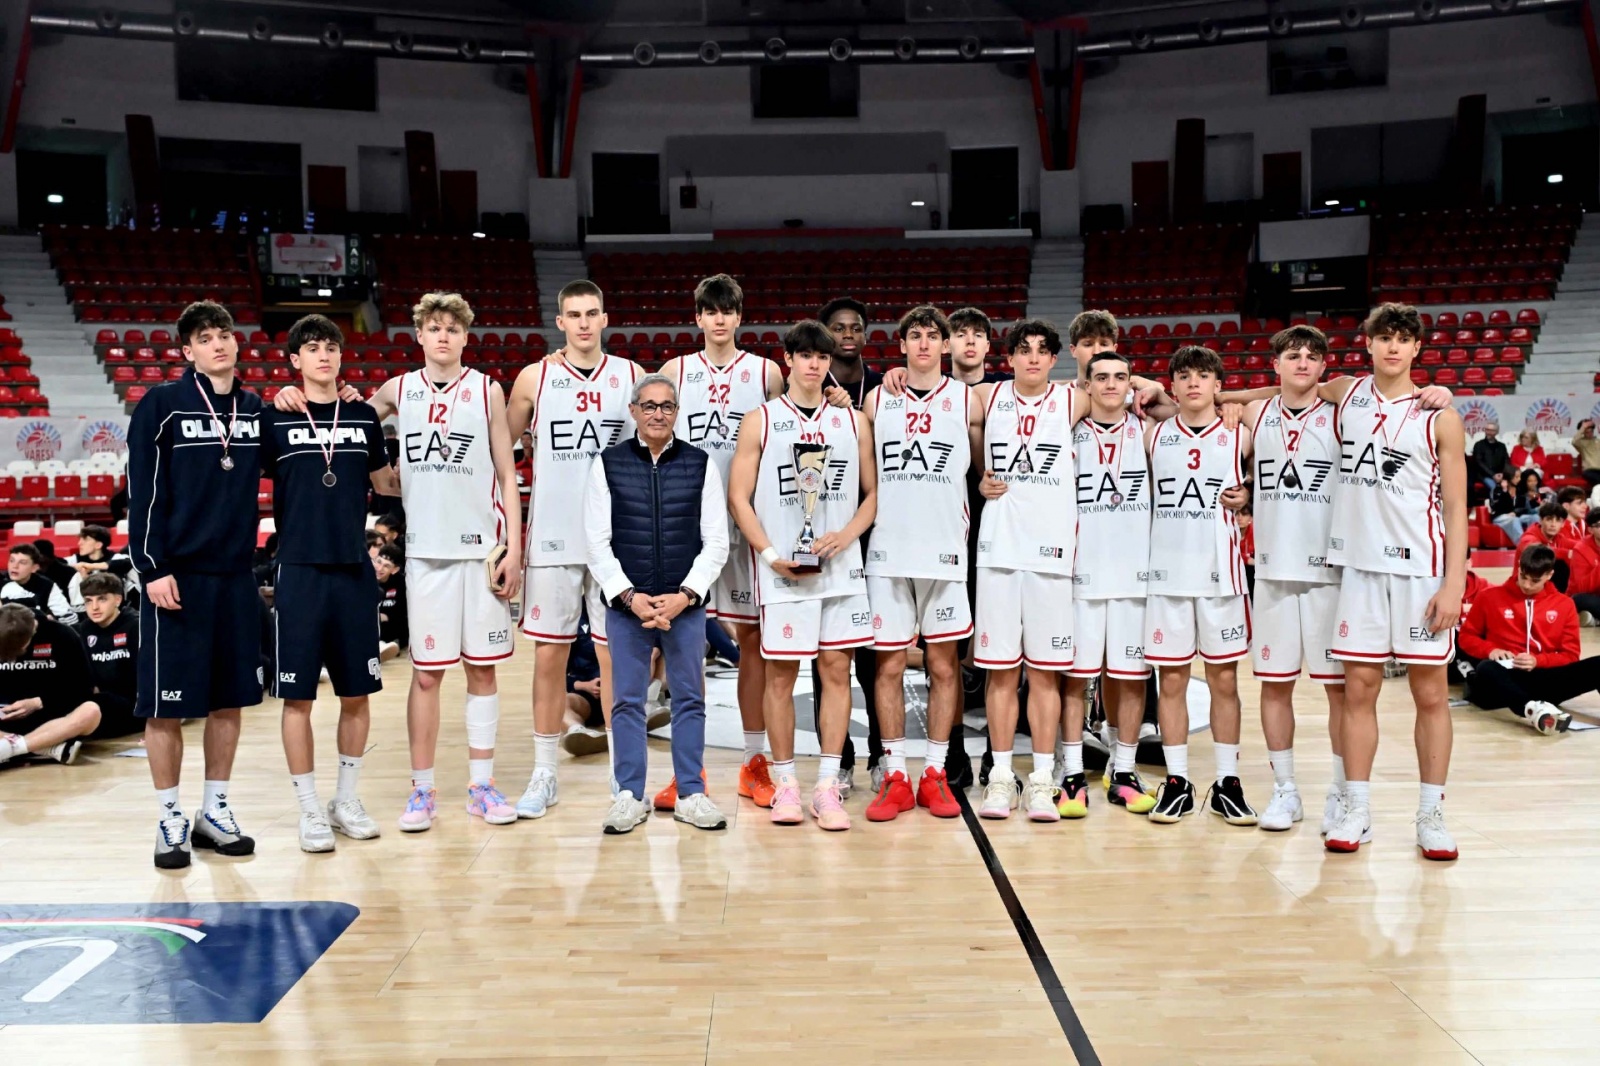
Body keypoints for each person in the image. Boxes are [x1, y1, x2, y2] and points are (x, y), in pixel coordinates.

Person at [276, 293, 523, 833]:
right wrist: (292, 392)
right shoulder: (396, 389)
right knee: (427, 676)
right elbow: (342, 417)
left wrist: (516, 550)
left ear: (465, 337)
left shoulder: (487, 389)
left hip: (481, 550)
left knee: (482, 671)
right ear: (419, 335)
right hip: (426, 552)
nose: (443, 336)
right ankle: (423, 789)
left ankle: (481, 786)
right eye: (434, 328)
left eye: (452, 329)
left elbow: (507, 473)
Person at [1325, 302, 1468, 860]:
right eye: (1383, 337)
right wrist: (1198, 397)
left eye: (1402, 338)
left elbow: (1455, 508)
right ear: (1367, 343)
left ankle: (1431, 813)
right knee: (1358, 691)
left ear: (1416, 348)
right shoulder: (1346, 393)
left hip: (1420, 572)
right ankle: (1356, 809)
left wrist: (1454, 584)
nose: (1392, 346)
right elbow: (1281, 391)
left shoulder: (1441, 416)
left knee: (1430, 694)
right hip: (1361, 570)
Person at [128, 300, 265, 868]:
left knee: (229, 701)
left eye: (224, 334)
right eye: (205, 338)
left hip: (235, 576)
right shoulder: (162, 404)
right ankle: (169, 816)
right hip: (176, 576)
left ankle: (215, 809)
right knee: (165, 705)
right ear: (187, 350)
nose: (218, 343)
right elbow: (143, 490)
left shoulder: (255, 408)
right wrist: (151, 566)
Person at [728, 319, 878, 831]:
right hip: (783, 572)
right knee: (781, 676)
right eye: (806, 355)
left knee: (837, 672)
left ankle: (827, 786)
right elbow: (738, 498)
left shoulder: (853, 421)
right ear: (788, 360)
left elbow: (871, 495)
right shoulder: (761, 420)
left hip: (840, 568)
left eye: (823, 356)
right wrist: (770, 555)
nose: (814, 364)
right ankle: (787, 783)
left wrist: (846, 535)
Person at [260, 314, 399, 853]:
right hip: (298, 571)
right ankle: (308, 809)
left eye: (331, 347)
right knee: (297, 698)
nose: (324, 355)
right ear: (295, 359)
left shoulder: (362, 417)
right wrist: (278, 397)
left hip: (353, 571)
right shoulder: (275, 417)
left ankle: (345, 800)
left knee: (356, 693)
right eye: (313, 348)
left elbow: (386, 484)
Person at [507, 279, 641, 816]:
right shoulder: (534, 377)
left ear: (605, 318)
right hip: (553, 537)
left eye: (592, 313)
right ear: (559, 322)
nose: (584, 323)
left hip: (615, 541)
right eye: (574, 315)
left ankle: (622, 778)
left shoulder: (631, 376)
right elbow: (497, 448)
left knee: (617, 658)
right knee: (549, 656)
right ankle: (544, 774)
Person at [652, 273, 785, 811]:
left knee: (752, 642)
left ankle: (754, 762)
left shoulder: (767, 372)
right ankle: (690, 770)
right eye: (711, 310)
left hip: (746, 520)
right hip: (689, 524)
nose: (720, 318)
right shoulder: (674, 371)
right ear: (699, 317)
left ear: (739, 316)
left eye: (728, 309)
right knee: (685, 647)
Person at [584, 373, 730, 833]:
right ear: (633, 411)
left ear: (677, 412)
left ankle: (691, 793)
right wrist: (629, 596)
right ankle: (629, 795)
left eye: (666, 406)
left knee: (689, 699)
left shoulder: (700, 464)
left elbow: (717, 542)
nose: (657, 414)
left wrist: (685, 595)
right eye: (648, 405)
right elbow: (596, 542)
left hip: (684, 607)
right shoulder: (607, 464)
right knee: (627, 702)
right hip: (627, 608)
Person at [860, 305, 979, 823]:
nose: (926, 343)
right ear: (903, 344)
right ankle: (894, 774)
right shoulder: (875, 399)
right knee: (888, 665)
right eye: (916, 335)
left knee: (943, 666)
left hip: (946, 552)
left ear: (946, 345)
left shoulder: (970, 399)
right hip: (888, 551)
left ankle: (934, 773)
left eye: (934, 335)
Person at [973, 321, 1084, 820]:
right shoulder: (987, 396)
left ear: (1055, 359)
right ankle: (1001, 777)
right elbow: (928, 393)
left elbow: (1143, 391)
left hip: (1052, 555)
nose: (1034, 357)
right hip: (999, 551)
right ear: (1011, 358)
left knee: (1044, 674)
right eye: (1024, 349)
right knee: (1000, 673)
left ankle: (1041, 780)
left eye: (1043, 350)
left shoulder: (1072, 399)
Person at [1240, 325, 1347, 835]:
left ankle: (1343, 791)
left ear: (1324, 366)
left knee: (1339, 693)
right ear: (1276, 364)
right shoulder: (1255, 412)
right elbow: (1191, 404)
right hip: (1273, 570)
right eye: (1292, 355)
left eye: (1311, 355)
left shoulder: (1343, 412)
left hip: (1330, 572)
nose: (1302, 362)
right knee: (1275, 686)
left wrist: (1435, 391)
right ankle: (1285, 790)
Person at [1143, 345, 1256, 826]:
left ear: (1218, 385)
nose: (1193, 382)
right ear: (1172, 385)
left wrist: (1250, 493)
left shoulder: (1241, 434)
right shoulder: (1151, 435)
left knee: (1224, 680)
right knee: (1171, 681)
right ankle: (1178, 782)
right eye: (1184, 375)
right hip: (1166, 576)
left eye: (1203, 375)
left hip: (1221, 577)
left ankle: (1228, 782)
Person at [1064, 348, 1158, 818]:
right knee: (1075, 677)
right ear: (1086, 385)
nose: (1111, 385)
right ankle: (1070, 772)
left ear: (1130, 383)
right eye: (1100, 377)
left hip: (1134, 575)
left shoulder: (1149, 431)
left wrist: (1154, 388)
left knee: (1130, 677)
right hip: (1080, 573)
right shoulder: (1067, 431)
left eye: (1121, 377)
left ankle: (1123, 769)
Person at [817, 295, 885, 794]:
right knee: (828, 657)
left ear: (865, 335)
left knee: (873, 658)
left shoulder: (883, 388)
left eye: (855, 327)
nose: (847, 334)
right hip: (825, 529)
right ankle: (838, 758)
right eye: (838, 327)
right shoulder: (808, 388)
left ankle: (881, 753)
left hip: (875, 527)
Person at [1459, 544, 1597, 735]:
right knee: (1486, 668)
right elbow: (1466, 637)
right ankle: (1533, 711)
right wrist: (1491, 650)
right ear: (1518, 567)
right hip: (1503, 681)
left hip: (1543, 678)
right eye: (1523, 576)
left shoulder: (1564, 604)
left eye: (1535, 581)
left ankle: (1538, 707)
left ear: (1549, 575)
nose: (1526, 585)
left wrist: (1537, 661)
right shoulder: (1489, 597)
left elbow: (1570, 655)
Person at [0, 603, 101, 767]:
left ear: (31, 634)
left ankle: (12, 748)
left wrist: (38, 702)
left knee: (91, 710)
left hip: (51, 719)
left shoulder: (63, 635)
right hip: (6, 717)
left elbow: (83, 688)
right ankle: (43, 748)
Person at [73, 572, 141, 739]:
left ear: (117, 600)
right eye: (88, 601)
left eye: (102, 599)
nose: (94, 607)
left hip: (135, 706)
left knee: (95, 705)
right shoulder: (83, 629)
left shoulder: (137, 626)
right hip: (99, 702)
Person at [2, 544, 77, 624]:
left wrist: (51, 622)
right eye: (12, 561)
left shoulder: (46, 586)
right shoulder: (2, 583)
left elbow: (69, 618)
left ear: (34, 568)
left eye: (22, 562)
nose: (14, 566)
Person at [67, 524, 133, 608]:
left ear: (98, 545)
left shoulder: (117, 558)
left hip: (115, 607)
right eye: (80, 539)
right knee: (77, 575)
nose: (79, 543)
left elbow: (129, 563)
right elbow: (56, 563)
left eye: (85, 539)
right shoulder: (74, 559)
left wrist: (91, 566)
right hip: (84, 609)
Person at [1563, 507, 1600, 623]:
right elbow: (1581, 588)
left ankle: (1593, 619)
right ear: (1590, 530)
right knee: (1581, 599)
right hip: (1585, 596)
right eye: (1599, 525)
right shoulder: (1581, 549)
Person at [373, 543, 408, 652]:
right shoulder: (364, 578)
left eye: (386, 566)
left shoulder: (402, 585)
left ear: (395, 569)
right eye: (379, 562)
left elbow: (401, 616)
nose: (380, 568)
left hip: (393, 632)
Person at [1470, 422, 1512, 494]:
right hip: (1484, 475)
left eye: (1491, 430)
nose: (1488, 432)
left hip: (1500, 475)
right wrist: (1493, 475)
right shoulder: (1479, 445)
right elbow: (1479, 463)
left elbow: (1506, 461)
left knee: (1510, 486)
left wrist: (1502, 474)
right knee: (1494, 488)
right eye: (1487, 430)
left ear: (1497, 432)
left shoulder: (1502, 446)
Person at [1573, 419, 1600, 488]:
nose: (1590, 434)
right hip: (1590, 470)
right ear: (1583, 433)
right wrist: (1583, 427)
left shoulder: (1598, 441)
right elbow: (1574, 442)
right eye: (1587, 432)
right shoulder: (1581, 443)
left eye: (1591, 431)